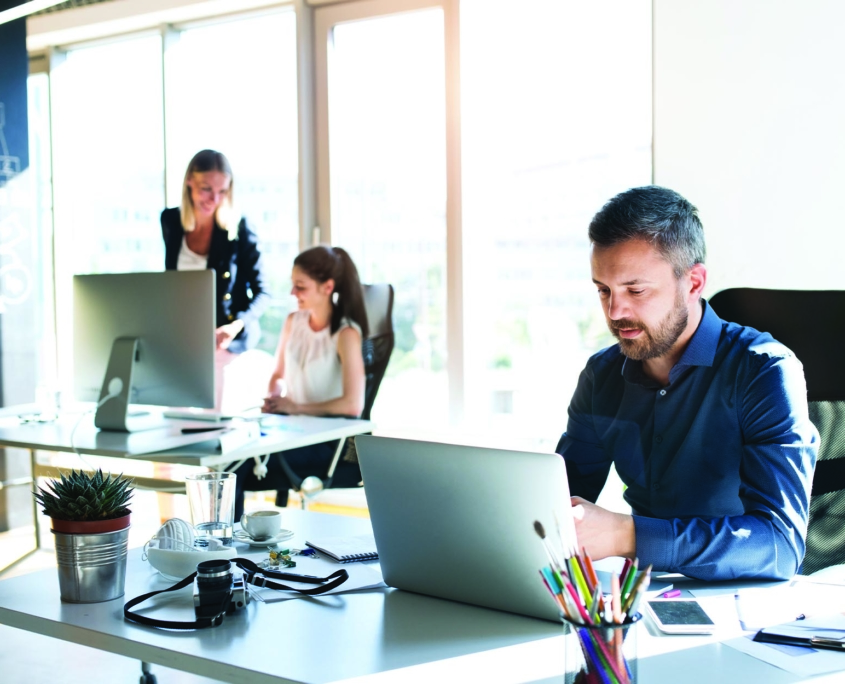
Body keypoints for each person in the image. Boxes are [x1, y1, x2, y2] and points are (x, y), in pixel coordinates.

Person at [555, 185, 818, 582]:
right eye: (603, 290)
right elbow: (557, 504)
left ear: (693, 283)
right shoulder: (601, 376)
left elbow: (780, 546)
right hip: (644, 595)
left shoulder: (764, 371)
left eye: (635, 290)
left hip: (746, 602)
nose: (615, 310)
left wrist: (628, 535)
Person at [233, 245, 369, 519]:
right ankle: (223, 546)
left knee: (236, 469)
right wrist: (273, 398)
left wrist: (296, 407)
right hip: (291, 431)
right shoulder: (293, 321)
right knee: (229, 456)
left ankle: (223, 549)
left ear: (327, 287)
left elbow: (353, 405)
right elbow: (277, 374)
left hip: (328, 441)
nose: (293, 293)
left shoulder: (345, 334)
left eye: (300, 286)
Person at [161, 149, 269, 410]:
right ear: (189, 182)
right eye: (206, 189)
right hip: (185, 335)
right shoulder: (171, 221)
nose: (215, 198)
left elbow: (262, 292)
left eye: (223, 192)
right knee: (173, 410)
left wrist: (235, 327)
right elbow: (171, 283)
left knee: (213, 414)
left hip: (226, 337)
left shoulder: (238, 228)